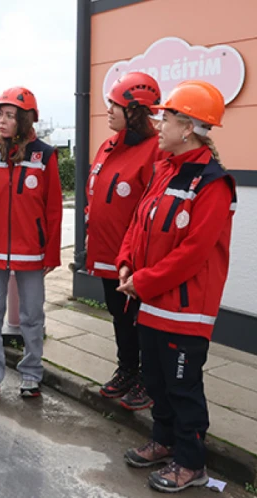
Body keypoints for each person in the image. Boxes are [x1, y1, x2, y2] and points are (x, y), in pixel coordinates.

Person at [116, 80, 236, 493]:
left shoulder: (214, 183)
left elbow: (194, 252)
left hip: (185, 310)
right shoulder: (166, 170)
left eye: (165, 117)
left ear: (188, 127)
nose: (158, 124)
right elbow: (138, 222)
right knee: (156, 381)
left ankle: (191, 463)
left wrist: (142, 282)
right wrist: (126, 262)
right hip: (151, 303)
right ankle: (164, 442)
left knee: (183, 388)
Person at [0, 86, 62, 402]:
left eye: (9, 116)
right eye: (0, 115)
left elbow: (54, 209)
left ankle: (31, 374)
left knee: (32, 316)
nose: (2, 121)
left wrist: (52, 253)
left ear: (25, 119)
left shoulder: (44, 155)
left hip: (32, 252)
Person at [86, 72, 164, 411]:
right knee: (119, 315)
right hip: (105, 252)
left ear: (135, 111)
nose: (108, 110)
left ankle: (148, 378)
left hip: (134, 257)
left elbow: (152, 207)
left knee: (139, 319)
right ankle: (128, 369)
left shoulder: (155, 150)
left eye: (114, 105)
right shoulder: (108, 145)